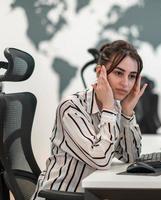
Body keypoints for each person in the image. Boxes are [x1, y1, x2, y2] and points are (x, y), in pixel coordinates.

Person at [31, 40, 147, 199]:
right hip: (60, 196)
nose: (125, 83)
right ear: (101, 72)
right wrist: (108, 107)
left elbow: (131, 157)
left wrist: (127, 113)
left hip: (90, 195)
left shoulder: (116, 109)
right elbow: (102, 160)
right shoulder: (71, 107)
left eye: (132, 76)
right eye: (119, 73)